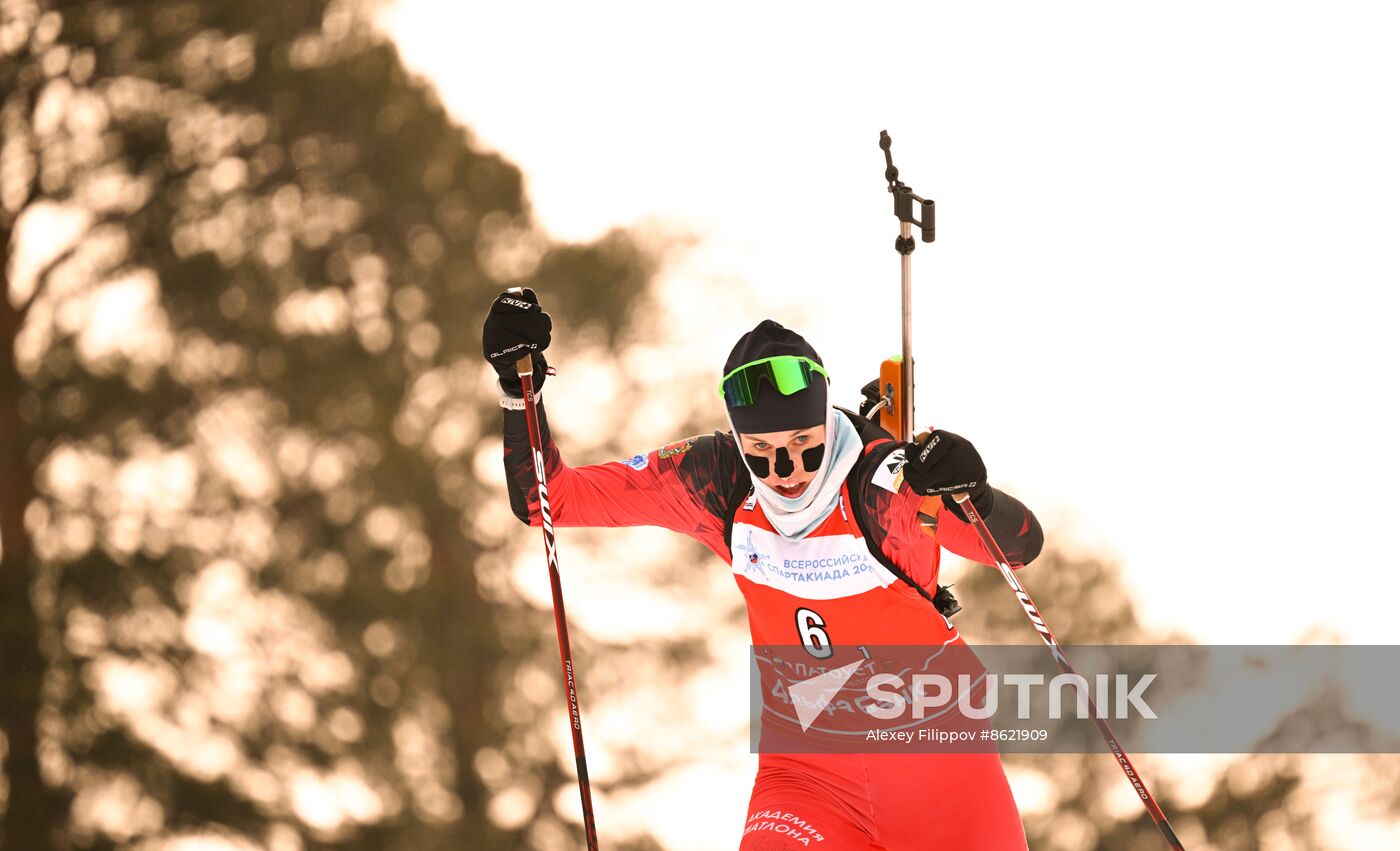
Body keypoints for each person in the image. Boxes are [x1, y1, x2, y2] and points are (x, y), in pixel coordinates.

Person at [484, 289, 1045, 850]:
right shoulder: (717, 481)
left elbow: (1020, 545)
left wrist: (977, 491)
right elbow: (546, 501)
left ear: (827, 419)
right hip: (807, 780)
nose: (786, 469)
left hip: (940, 776)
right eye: (762, 449)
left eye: (804, 442)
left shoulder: (884, 487)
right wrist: (520, 389)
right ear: (737, 437)